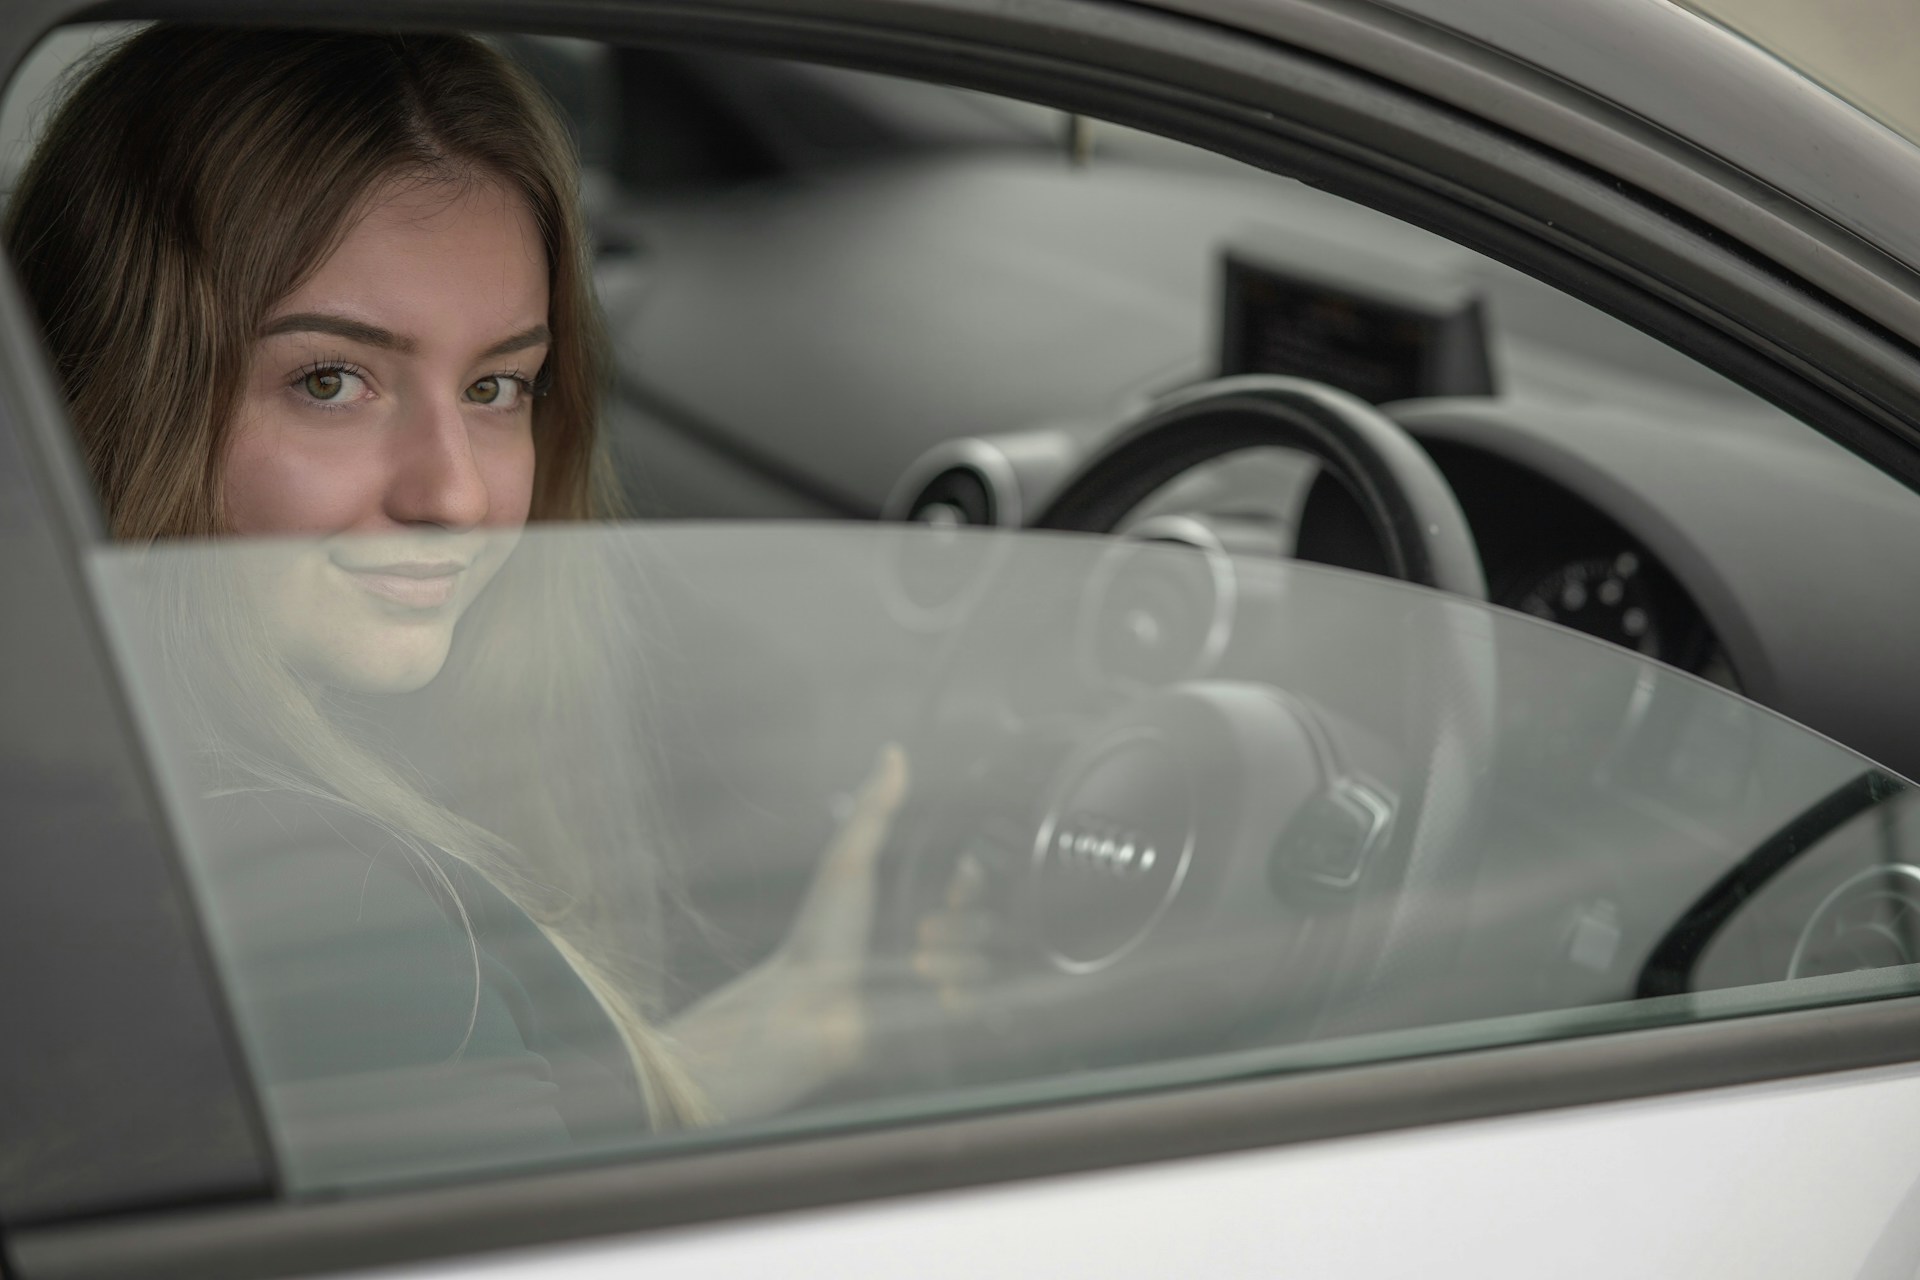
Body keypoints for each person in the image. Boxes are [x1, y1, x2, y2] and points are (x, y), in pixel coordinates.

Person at [4, 24, 915, 1183]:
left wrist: (791, 1023)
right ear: (121, 387)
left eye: (497, 387)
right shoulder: (314, 901)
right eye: (330, 381)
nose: (458, 493)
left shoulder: (119, 805)